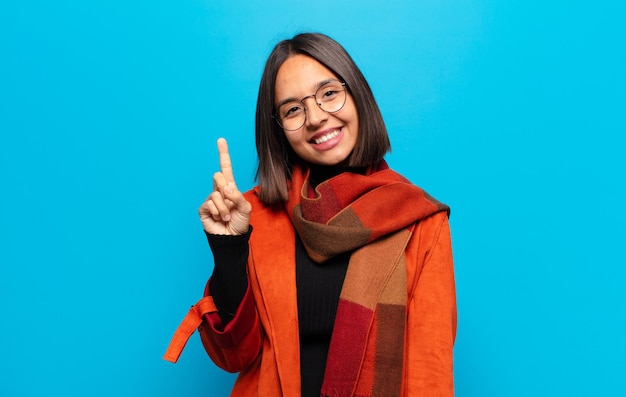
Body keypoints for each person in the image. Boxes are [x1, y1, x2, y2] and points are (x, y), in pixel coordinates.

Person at [164, 32, 456, 396]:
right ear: (279, 130)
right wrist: (229, 250)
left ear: (357, 94)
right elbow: (235, 357)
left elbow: (431, 371)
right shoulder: (253, 213)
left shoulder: (420, 219)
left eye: (329, 93)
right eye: (293, 109)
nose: (316, 118)